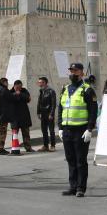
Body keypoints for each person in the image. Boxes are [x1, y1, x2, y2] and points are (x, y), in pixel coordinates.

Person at [58, 62, 98, 197]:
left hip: (81, 130)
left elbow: (93, 111)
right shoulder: (65, 89)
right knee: (70, 159)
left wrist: (89, 129)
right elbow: (60, 108)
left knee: (80, 160)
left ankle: (81, 188)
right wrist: (60, 127)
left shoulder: (87, 90)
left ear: (81, 73)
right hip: (67, 130)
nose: (72, 73)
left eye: (75, 71)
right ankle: (73, 186)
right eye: (71, 71)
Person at [8, 80, 34, 153]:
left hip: (24, 115)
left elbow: (28, 99)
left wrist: (20, 94)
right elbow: (8, 99)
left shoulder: (24, 91)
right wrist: (15, 94)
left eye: (20, 87)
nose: (19, 89)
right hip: (14, 116)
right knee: (14, 133)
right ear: (14, 86)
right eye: (17, 87)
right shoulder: (10, 92)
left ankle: (28, 147)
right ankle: (14, 147)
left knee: (26, 133)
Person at [37, 76, 57, 152]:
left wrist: (51, 114)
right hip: (43, 113)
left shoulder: (51, 91)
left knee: (51, 130)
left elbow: (53, 104)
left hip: (49, 113)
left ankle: (52, 145)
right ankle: (45, 146)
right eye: (39, 82)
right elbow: (39, 103)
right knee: (44, 130)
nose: (40, 84)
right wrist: (38, 112)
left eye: (41, 82)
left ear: (45, 83)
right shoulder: (41, 91)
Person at [0, 77, 11, 154]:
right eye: (7, 82)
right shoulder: (4, 90)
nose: (7, 84)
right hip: (3, 115)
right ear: (4, 82)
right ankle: (0, 148)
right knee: (2, 132)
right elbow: (11, 98)